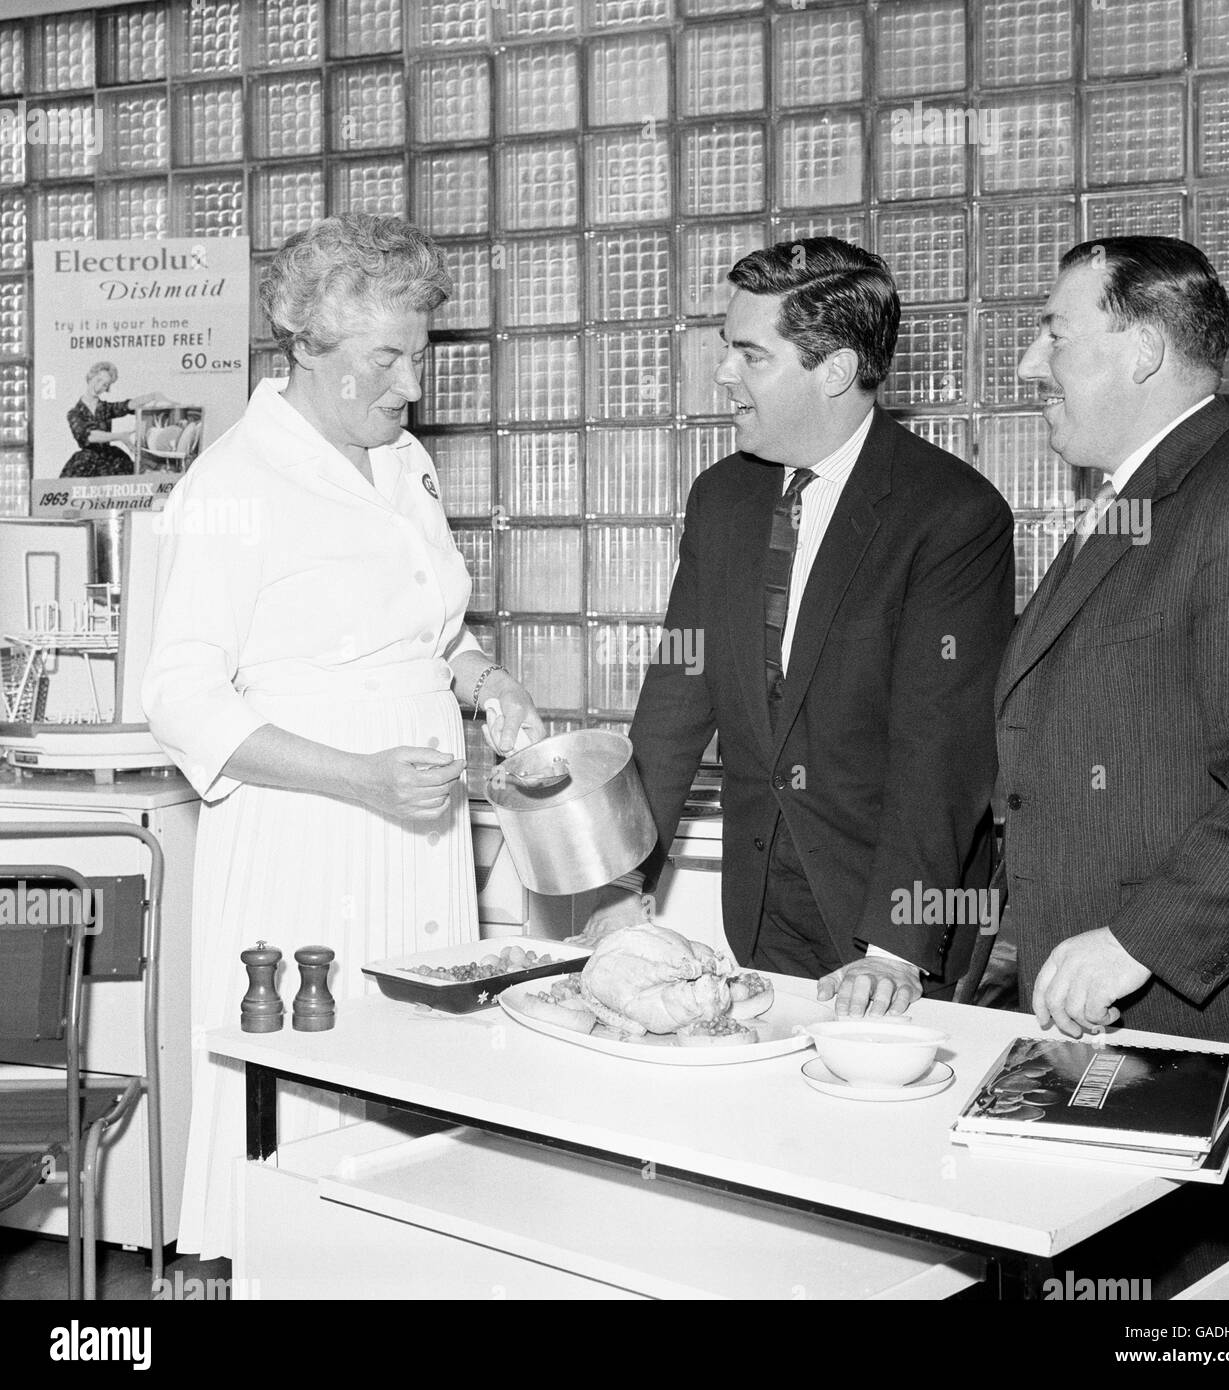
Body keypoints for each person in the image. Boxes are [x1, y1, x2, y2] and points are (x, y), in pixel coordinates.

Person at [142, 213, 545, 1260]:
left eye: (421, 354)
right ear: (306, 349)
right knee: (308, 1101)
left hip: (414, 834)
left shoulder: (401, 462)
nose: (413, 383)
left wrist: (483, 679)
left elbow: (431, 628)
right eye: (388, 357)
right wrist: (359, 777)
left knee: (411, 1097)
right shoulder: (232, 485)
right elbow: (180, 696)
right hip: (305, 842)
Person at [581, 238, 1015, 1016]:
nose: (722, 376)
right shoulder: (722, 498)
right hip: (759, 895)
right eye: (727, 351)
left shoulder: (951, 514)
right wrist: (623, 879)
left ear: (836, 370)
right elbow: (677, 698)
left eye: (751, 355)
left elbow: (941, 750)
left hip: (895, 914)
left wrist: (893, 952)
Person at [998, 235, 1229, 1053]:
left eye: (1056, 334)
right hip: (1090, 1011)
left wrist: (1137, 942)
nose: (1031, 364)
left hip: (1190, 1023)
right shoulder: (1139, 497)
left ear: (1143, 351)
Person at [62, 361, 171, 477]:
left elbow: (127, 405)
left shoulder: (105, 408)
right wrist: (119, 436)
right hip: (87, 461)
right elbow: (90, 436)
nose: (99, 387)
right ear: (90, 377)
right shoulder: (74, 413)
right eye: (98, 380)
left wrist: (152, 396)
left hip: (110, 458)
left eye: (105, 385)